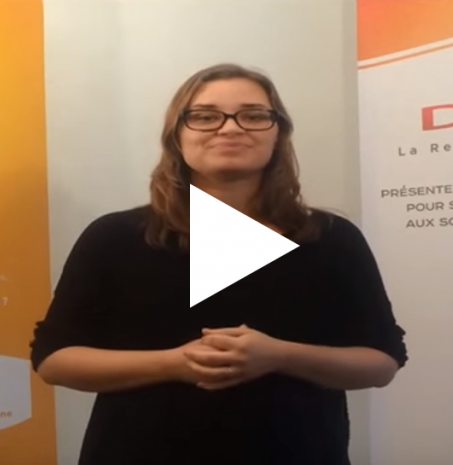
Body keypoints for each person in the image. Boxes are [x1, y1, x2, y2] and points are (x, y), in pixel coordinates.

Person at [29, 63, 407, 465]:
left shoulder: (331, 238)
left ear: (278, 133)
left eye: (253, 116)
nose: (230, 128)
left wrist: (279, 355)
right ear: (176, 134)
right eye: (206, 116)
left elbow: (381, 363)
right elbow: (54, 360)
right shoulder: (114, 237)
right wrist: (175, 363)